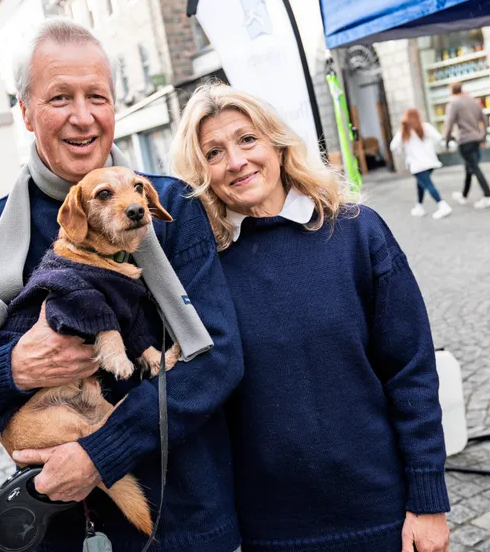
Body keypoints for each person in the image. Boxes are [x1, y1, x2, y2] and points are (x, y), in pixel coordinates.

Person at [0, 18, 243, 552]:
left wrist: (101, 453)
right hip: (62, 529)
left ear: (114, 107)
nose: (82, 117)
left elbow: (218, 358)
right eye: (59, 97)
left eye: (96, 96)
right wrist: (11, 367)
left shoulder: (170, 209)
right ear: (25, 112)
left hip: (185, 517)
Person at [170, 84, 451, 552]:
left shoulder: (356, 232)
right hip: (268, 528)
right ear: (202, 173)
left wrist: (428, 502)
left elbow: (412, 371)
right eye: (213, 152)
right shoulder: (202, 268)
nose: (236, 161)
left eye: (247, 139)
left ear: (277, 144)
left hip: (380, 513)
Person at [391, 108, 452, 219]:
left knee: (428, 184)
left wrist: (401, 149)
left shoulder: (404, 131)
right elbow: (438, 138)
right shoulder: (425, 127)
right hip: (430, 162)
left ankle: (442, 205)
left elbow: (393, 146)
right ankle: (419, 206)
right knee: (421, 184)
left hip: (417, 164)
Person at [443, 82, 490, 209]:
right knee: (470, 168)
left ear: (451, 91)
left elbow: (449, 123)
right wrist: (483, 136)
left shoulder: (454, 103)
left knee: (474, 167)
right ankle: (464, 195)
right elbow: (484, 119)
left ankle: (488, 196)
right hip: (476, 138)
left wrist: (446, 141)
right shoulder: (473, 101)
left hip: (465, 140)